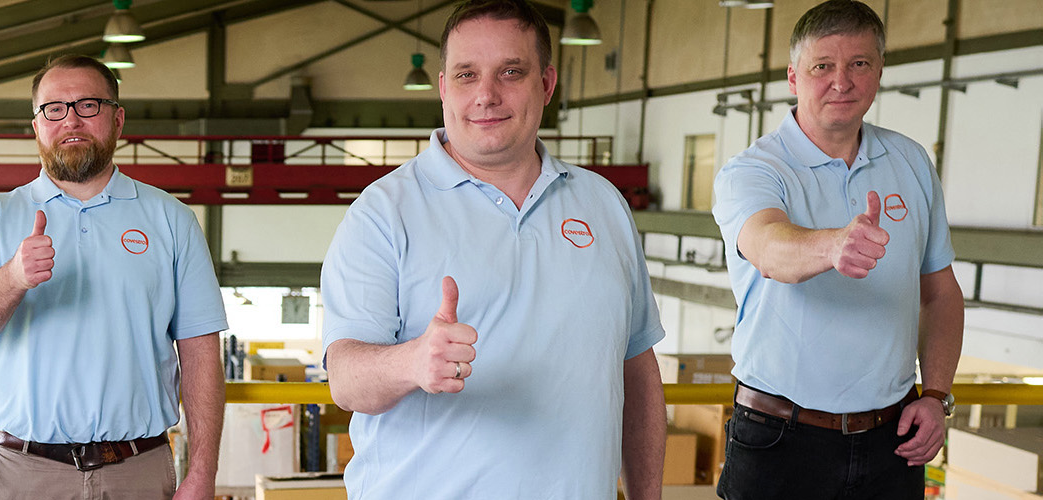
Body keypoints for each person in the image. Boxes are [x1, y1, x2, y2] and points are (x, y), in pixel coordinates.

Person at [318, 0, 665, 498]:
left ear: (546, 84)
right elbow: (346, 381)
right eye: (466, 75)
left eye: (510, 72)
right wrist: (412, 361)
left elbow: (637, 370)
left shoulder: (603, 205)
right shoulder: (384, 212)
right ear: (442, 88)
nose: (486, 95)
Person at [0, 54, 227, 499]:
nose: (71, 119)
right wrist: (14, 277)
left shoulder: (171, 219)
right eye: (54, 108)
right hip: (25, 473)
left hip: (140, 470)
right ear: (36, 125)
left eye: (89, 105)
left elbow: (201, 349)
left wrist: (202, 473)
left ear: (118, 120)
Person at [711, 1, 964, 497]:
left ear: (879, 72)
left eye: (859, 64)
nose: (841, 81)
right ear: (793, 76)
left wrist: (936, 395)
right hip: (778, 438)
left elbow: (940, 292)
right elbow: (768, 246)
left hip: (893, 440)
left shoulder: (911, 162)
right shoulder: (754, 170)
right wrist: (833, 246)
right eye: (822, 66)